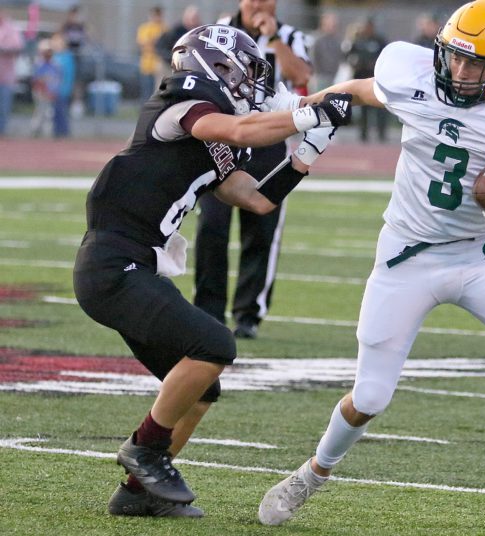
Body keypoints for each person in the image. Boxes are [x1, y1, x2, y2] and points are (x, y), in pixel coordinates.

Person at [257, 0, 485, 525]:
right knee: (369, 397)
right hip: (405, 260)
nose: (460, 71)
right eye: (455, 57)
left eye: (477, 64)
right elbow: (359, 90)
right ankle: (311, 474)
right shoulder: (411, 79)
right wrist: (300, 112)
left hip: (478, 258)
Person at [72, 24, 351, 518]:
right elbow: (242, 129)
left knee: (204, 385)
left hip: (135, 267)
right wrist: (306, 112)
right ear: (212, 67)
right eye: (243, 74)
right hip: (114, 263)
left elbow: (255, 199)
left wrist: (307, 153)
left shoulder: (214, 135)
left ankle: (138, 493)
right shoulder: (180, 101)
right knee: (216, 345)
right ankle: (145, 449)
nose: (250, 88)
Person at [193, 0, 312, 340]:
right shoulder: (220, 29)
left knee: (261, 230)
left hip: (268, 143)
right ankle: (207, 311)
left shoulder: (289, 35)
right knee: (212, 227)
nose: (259, 3)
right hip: (224, 138)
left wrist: (273, 40)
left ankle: (248, 314)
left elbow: (302, 76)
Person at [342, 17, 388, 142]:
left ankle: (381, 134)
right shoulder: (357, 39)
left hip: (376, 79)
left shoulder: (379, 40)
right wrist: (355, 63)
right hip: (361, 78)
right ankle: (363, 134)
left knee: (379, 108)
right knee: (364, 109)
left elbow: (386, 55)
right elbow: (347, 55)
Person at [155, 5, 201, 72]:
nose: (194, 21)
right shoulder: (175, 31)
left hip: (189, 68)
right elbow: (160, 46)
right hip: (169, 66)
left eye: (196, 18)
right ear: (185, 18)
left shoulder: (200, 32)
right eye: (192, 18)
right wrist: (171, 58)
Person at [30, 39, 60, 138]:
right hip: (40, 92)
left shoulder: (55, 64)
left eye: (49, 51)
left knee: (48, 113)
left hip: (50, 93)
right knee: (40, 112)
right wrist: (43, 90)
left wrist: (53, 92)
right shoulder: (39, 63)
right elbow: (36, 80)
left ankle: (47, 134)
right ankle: (35, 132)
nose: (48, 53)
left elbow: (56, 80)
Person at [0, 9, 23, 137]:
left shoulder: (11, 29)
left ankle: (2, 132)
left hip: (6, 76)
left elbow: (17, 47)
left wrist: (3, 49)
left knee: (3, 108)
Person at [136, 6, 166, 102]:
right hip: (147, 65)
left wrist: (153, 41)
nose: (156, 17)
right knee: (146, 93)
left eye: (158, 15)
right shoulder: (145, 28)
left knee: (158, 92)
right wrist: (155, 41)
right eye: (154, 15)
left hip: (160, 66)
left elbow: (165, 42)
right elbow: (143, 42)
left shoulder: (164, 28)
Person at [51, 32, 75, 138]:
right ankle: (56, 132)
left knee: (61, 111)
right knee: (54, 112)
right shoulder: (53, 56)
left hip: (62, 89)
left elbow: (68, 74)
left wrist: (64, 87)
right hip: (52, 90)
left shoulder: (67, 57)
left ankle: (64, 132)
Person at [311, 12, 342, 92]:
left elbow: (338, 57)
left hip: (333, 77)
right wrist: (317, 75)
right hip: (320, 77)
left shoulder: (336, 41)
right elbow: (313, 58)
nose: (333, 27)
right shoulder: (317, 39)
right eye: (331, 25)